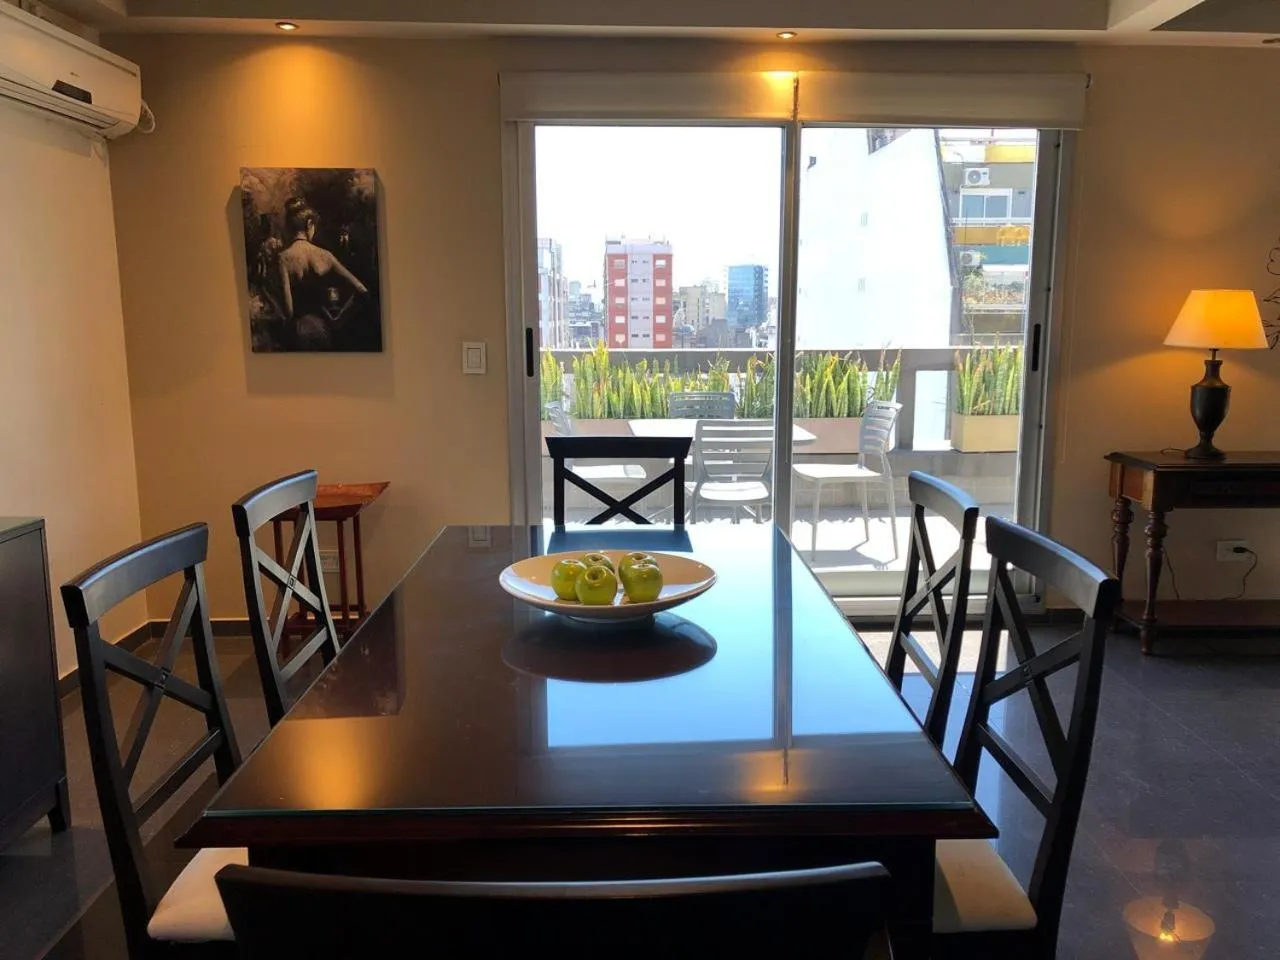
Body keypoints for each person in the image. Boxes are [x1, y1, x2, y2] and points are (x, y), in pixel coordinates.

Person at [277, 197, 368, 345]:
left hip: (298, 334)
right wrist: (338, 319)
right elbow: (362, 291)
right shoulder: (326, 256)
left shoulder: (283, 259)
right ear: (309, 224)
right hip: (324, 331)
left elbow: (289, 311)